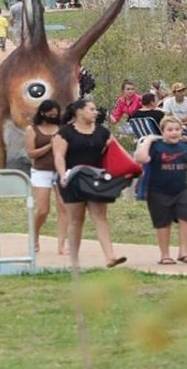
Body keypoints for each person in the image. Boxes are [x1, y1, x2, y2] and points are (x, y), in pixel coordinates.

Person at [52, 99, 126, 268]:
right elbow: (59, 156)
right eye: (91, 109)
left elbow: (116, 151)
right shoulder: (65, 132)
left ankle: (110, 257)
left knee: (100, 217)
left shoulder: (102, 131)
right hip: (72, 179)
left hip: (95, 179)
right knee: (76, 220)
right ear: (79, 111)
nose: (95, 112)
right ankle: (74, 261)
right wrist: (63, 175)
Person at [134, 116, 187, 265]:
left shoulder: (185, 147)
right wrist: (148, 140)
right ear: (162, 132)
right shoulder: (156, 146)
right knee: (163, 223)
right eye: (170, 130)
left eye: (177, 129)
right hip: (158, 191)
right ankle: (165, 255)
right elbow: (141, 158)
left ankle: (183, 252)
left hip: (181, 190)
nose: (174, 133)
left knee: (186, 219)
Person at [25, 100, 67, 254]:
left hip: (60, 171)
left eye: (55, 114)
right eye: (50, 113)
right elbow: (31, 153)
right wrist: (50, 145)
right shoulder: (32, 129)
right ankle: (34, 235)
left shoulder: (62, 129)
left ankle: (62, 245)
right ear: (42, 113)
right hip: (41, 171)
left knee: (64, 207)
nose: (53, 116)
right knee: (43, 209)